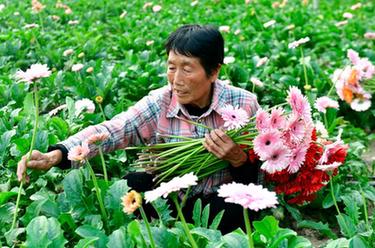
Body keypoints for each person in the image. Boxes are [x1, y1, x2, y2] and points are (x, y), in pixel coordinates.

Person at [17, 24, 260, 233]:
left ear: (214, 71)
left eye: (187, 69)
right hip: (170, 195)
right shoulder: (160, 102)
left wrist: (238, 159)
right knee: (132, 185)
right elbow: (114, 130)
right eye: (171, 67)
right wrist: (57, 153)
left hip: (221, 198)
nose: (176, 80)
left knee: (241, 209)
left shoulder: (244, 104)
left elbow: (262, 171)